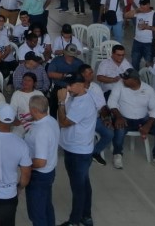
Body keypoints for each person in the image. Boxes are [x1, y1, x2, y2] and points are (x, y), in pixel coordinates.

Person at [56, 73, 97, 226]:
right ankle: (86, 216)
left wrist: (60, 102)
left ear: (81, 84)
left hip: (78, 151)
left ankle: (74, 221)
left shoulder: (83, 103)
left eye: (71, 85)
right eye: (67, 85)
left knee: (78, 187)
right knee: (84, 184)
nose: (67, 88)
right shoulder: (76, 97)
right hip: (73, 147)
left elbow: (64, 122)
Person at [108, 68, 155, 171]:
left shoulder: (148, 89)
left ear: (135, 80)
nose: (123, 80)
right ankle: (117, 154)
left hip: (144, 119)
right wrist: (118, 117)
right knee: (119, 129)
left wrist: (148, 124)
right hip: (124, 118)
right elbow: (112, 102)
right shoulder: (119, 86)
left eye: (126, 79)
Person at [24, 95, 60, 226]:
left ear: (33, 110)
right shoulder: (51, 120)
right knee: (46, 207)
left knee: (37, 213)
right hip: (49, 172)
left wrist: (24, 164)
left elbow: (40, 162)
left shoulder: (41, 131)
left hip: (39, 176)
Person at [125, 0, 155, 70]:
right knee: (134, 62)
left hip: (149, 43)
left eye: (144, 4)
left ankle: (147, 78)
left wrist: (147, 27)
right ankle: (136, 78)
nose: (142, 6)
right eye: (141, 4)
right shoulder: (138, 13)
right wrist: (136, 10)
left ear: (149, 4)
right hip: (137, 41)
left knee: (149, 63)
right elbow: (126, 15)